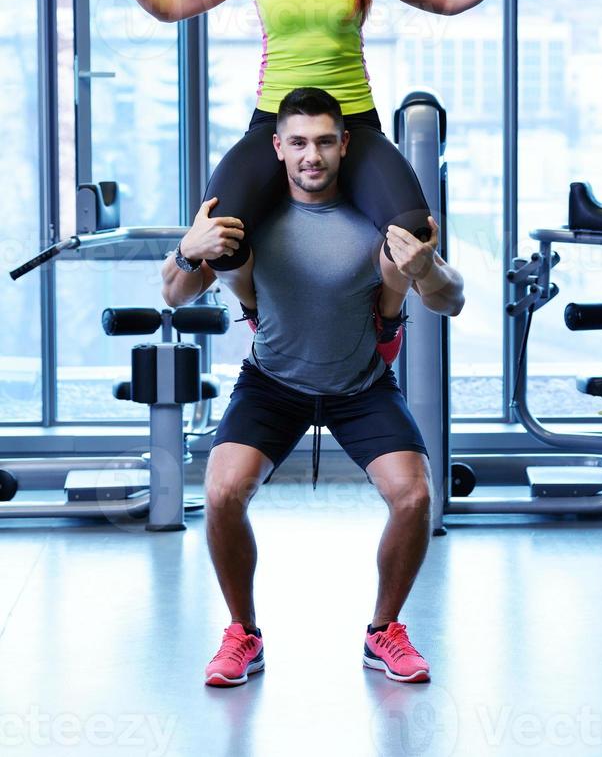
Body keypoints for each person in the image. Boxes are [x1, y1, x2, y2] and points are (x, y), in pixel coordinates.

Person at [161, 88, 464, 687]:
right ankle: (242, 633)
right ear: (276, 147)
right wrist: (184, 250)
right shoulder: (251, 222)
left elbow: (451, 299)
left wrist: (428, 267)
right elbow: (173, 293)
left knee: (414, 497)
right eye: (298, 142)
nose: (312, 156)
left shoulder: (377, 220)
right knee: (222, 492)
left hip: (361, 386)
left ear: (345, 144)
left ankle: (385, 632)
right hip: (273, 382)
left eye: (325, 141)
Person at [120, 0, 518, 271]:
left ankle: (386, 324)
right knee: (220, 232)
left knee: (414, 231)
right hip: (276, 118)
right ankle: (256, 314)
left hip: (353, 117)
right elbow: (172, 5)